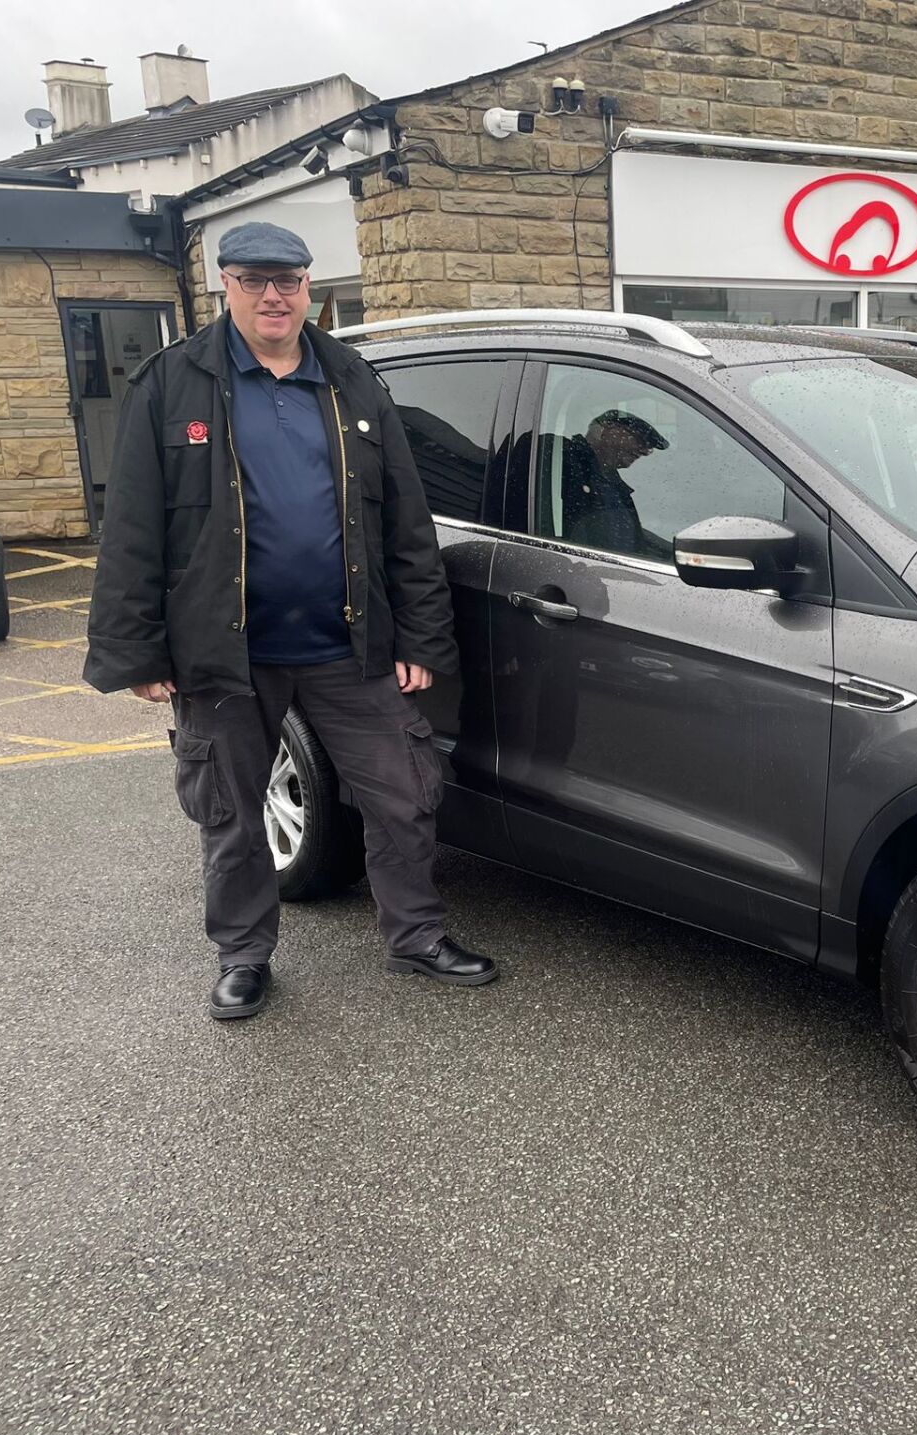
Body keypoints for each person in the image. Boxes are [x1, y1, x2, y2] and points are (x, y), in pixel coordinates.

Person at [84, 221, 499, 1021]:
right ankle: (243, 957)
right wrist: (138, 651)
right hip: (224, 652)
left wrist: (419, 636)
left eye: (290, 280)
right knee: (231, 813)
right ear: (224, 288)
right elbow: (133, 527)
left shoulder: (352, 379)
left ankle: (415, 936)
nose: (274, 296)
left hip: (350, 643)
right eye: (254, 280)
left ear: (311, 287)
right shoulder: (172, 384)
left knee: (406, 794)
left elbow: (405, 523)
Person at [556, 408, 671, 557]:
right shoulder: (563, 460)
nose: (644, 451)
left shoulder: (613, 484)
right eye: (640, 440)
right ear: (607, 429)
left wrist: (673, 553)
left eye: (648, 447)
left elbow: (629, 534)